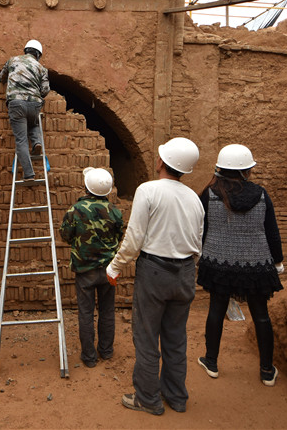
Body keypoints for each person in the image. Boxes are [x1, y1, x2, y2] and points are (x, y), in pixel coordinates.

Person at [105, 137, 204, 416]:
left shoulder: (148, 191)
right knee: (175, 337)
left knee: (147, 337)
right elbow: (198, 242)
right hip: (185, 272)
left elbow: (134, 237)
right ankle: (177, 396)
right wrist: (186, 267)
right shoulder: (194, 199)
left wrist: (115, 267)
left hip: (155, 271)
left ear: (161, 162)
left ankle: (148, 399)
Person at [195, 144, 284, 387]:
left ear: (221, 168)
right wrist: (278, 261)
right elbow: (272, 232)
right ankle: (267, 370)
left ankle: (211, 361)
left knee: (215, 311)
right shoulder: (262, 194)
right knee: (261, 316)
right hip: (256, 267)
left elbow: (201, 229)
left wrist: (201, 254)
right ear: (246, 171)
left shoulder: (210, 193)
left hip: (218, 264)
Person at [59, 167, 124, 368]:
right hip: (108, 271)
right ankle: (106, 351)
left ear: (87, 187)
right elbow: (120, 236)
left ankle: (89, 357)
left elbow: (65, 236)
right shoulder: (115, 211)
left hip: (84, 270)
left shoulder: (75, 210)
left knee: (86, 313)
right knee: (107, 311)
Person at [0, 39, 50, 180]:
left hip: (16, 104)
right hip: (34, 104)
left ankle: (29, 174)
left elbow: (1, 77)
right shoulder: (41, 68)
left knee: (21, 140)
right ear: (38, 54)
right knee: (33, 123)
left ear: (26, 50)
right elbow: (45, 90)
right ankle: (36, 142)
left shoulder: (12, 60)